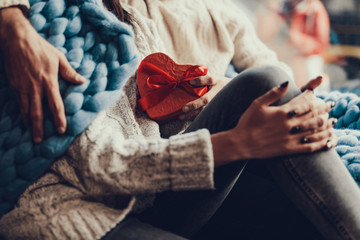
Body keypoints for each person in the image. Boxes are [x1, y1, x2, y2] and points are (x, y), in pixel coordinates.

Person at [0, 1, 360, 240]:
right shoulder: (51, 22)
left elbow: (153, 128)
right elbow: (102, 166)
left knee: (265, 82)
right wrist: (241, 141)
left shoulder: (128, 14)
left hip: (155, 191)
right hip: (80, 210)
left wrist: (220, 100)